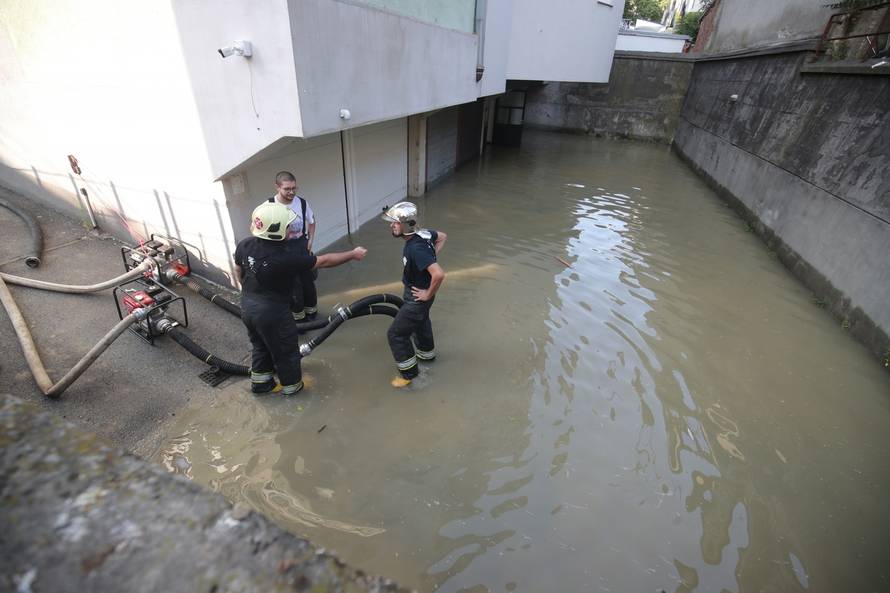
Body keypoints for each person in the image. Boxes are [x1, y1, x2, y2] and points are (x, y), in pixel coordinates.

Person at [234, 201, 366, 395]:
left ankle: (261, 385)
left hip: (247, 306)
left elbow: (239, 270)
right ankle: (293, 391)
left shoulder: (245, 244)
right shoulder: (285, 257)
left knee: (260, 346)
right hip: (273, 314)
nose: (291, 229)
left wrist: (247, 293)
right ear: (277, 230)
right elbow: (323, 261)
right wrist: (353, 254)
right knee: (286, 353)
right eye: (287, 226)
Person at [382, 201, 447, 387]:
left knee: (396, 335)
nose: (391, 225)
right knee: (421, 322)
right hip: (420, 295)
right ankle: (427, 355)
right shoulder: (424, 234)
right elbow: (442, 236)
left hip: (417, 298)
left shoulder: (416, 248)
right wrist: (431, 256)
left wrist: (427, 294)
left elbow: (439, 274)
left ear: (405, 224)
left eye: (394, 222)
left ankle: (409, 376)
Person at [268, 171, 318, 321]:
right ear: (277, 187)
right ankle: (299, 318)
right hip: (283, 249)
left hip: (301, 246)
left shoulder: (302, 203)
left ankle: (312, 312)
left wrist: (310, 241)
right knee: (292, 285)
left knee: (308, 282)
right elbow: (258, 229)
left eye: (294, 188)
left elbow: (312, 221)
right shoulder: (269, 206)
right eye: (287, 189)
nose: (291, 192)